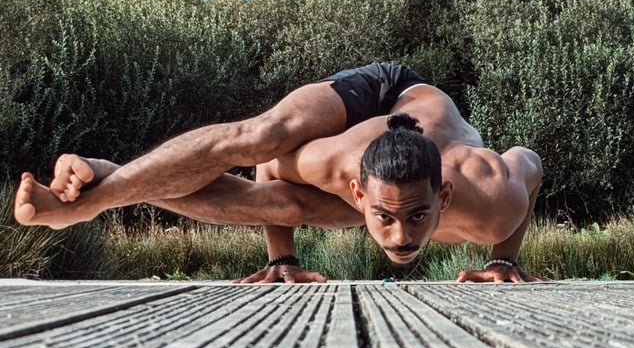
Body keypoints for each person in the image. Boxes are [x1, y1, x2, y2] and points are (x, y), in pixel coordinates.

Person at [13, 62, 548, 283]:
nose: (401, 237)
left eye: (417, 216)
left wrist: (503, 258)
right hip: (385, 89)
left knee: (288, 205)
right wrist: (281, 255)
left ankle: (109, 176)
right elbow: (268, 162)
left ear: (444, 197)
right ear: (359, 194)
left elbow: (531, 164)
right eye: (385, 216)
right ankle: (96, 197)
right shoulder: (331, 162)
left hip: (423, 112)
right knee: (264, 137)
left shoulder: (492, 198)